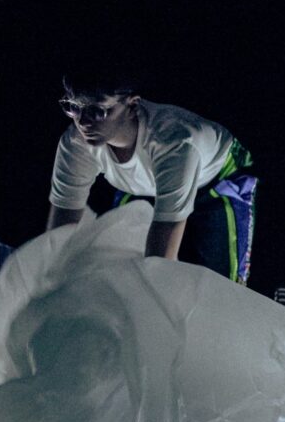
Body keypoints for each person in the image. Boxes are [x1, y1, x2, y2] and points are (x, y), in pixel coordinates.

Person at [46, 73, 257, 284]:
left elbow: (160, 261)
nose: (83, 122)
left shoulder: (173, 143)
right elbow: (58, 236)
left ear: (132, 105)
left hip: (218, 179)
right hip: (144, 184)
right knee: (114, 267)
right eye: (73, 107)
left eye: (97, 111)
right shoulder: (75, 143)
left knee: (222, 286)